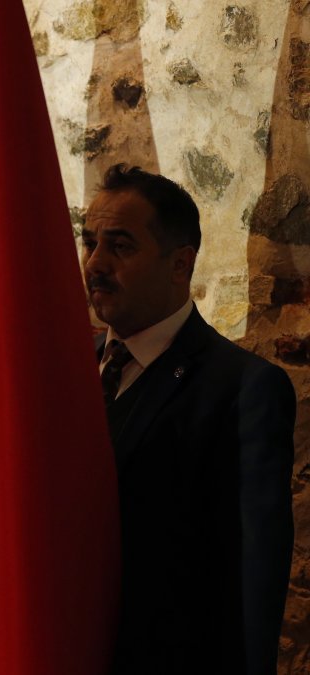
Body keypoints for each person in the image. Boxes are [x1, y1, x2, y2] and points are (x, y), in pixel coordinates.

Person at [81, 164, 295, 674]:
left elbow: (253, 580)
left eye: (121, 246)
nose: (95, 263)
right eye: (90, 242)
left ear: (181, 264)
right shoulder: (65, 372)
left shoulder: (245, 388)